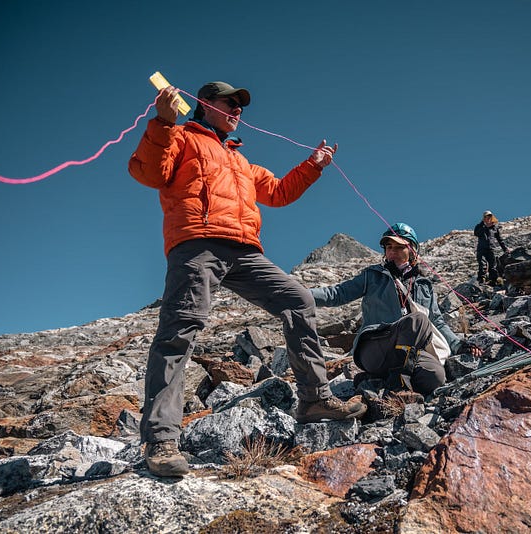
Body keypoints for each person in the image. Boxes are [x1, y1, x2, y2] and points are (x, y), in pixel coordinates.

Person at [128, 81, 366, 477]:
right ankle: (161, 438)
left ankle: (314, 399)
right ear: (205, 104)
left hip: (245, 251)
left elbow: (278, 192)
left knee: (298, 299)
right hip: (197, 244)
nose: (237, 110)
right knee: (179, 330)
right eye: (229, 103)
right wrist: (163, 122)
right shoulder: (180, 136)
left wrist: (314, 165)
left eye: (240, 106)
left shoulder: (241, 161)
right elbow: (149, 172)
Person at [311, 223, 483, 398]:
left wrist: (459, 344)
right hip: (375, 346)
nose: (392, 251)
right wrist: (300, 294)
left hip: (408, 354)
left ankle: (376, 380)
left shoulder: (423, 285)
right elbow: (337, 294)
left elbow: (437, 321)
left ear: (412, 250)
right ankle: (398, 385)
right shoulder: (372, 276)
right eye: (388, 247)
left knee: (435, 377)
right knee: (418, 320)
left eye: (399, 247)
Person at [473, 210, 509, 285]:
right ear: (484, 218)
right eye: (486, 216)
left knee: (493, 266)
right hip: (481, 249)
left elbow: (500, 239)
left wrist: (505, 249)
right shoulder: (479, 226)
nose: (488, 218)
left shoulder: (494, 228)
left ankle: (493, 281)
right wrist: (484, 226)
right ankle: (481, 280)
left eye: (490, 216)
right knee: (482, 264)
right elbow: (476, 233)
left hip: (491, 249)